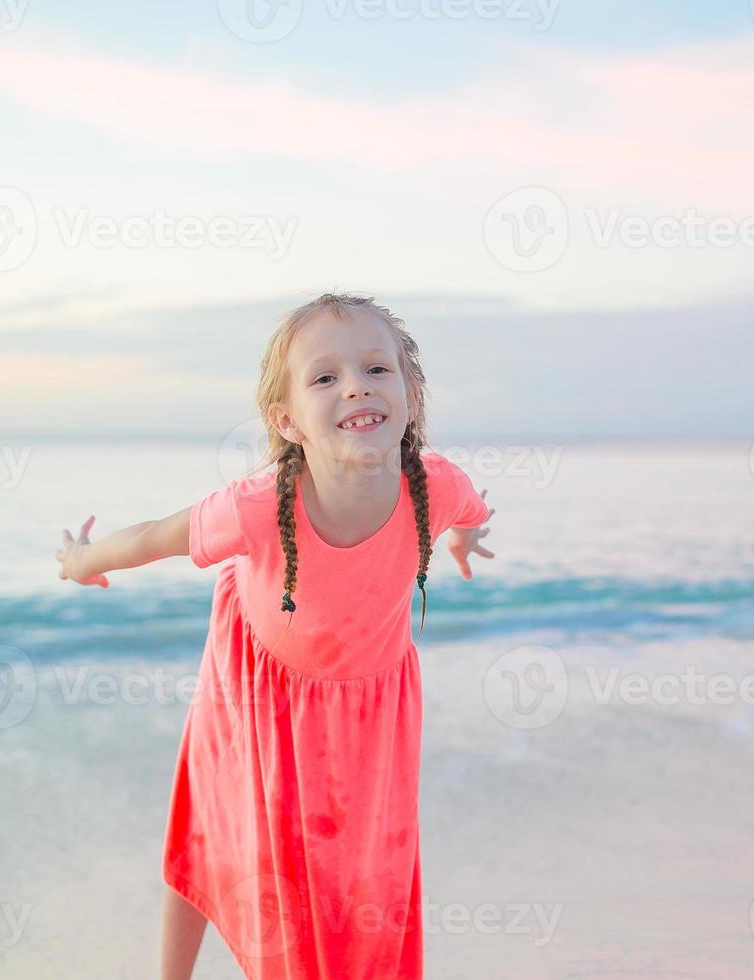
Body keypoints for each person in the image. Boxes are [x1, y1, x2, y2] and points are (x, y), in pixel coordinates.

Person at [54, 293, 496, 978]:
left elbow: (472, 507)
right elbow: (153, 538)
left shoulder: (434, 485)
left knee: (360, 865)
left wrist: (463, 539)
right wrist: (84, 561)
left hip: (369, 703)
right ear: (287, 421)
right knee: (216, 830)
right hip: (254, 685)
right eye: (325, 377)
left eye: (377, 369)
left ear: (408, 395)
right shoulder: (258, 508)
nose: (355, 384)